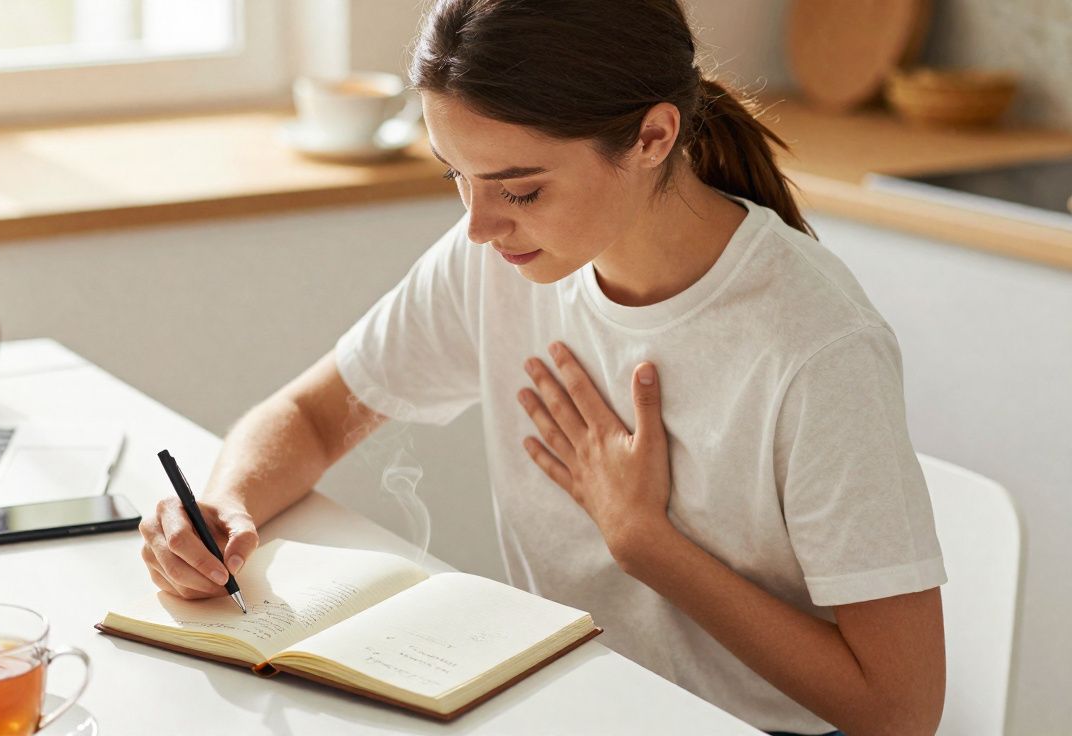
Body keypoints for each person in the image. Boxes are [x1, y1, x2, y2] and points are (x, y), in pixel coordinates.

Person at [140, 1, 947, 733]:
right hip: (563, 701)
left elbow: (899, 709)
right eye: (455, 175)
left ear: (653, 137)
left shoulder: (813, 348)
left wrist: (645, 542)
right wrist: (222, 508)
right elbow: (316, 416)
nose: (478, 226)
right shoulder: (498, 261)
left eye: (519, 190)